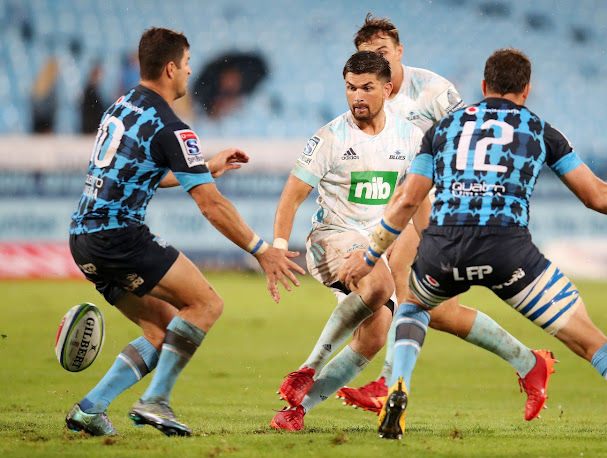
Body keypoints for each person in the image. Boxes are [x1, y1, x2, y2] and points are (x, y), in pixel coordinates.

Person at [340, 48, 607, 445]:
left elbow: (406, 201)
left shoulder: (443, 129)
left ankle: (398, 384)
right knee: (591, 341)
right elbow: (596, 196)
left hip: (445, 248)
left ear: (484, 86)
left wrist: (370, 255)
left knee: (414, 306)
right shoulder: (540, 130)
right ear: (527, 90)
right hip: (509, 252)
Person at [64, 27, 304, 437]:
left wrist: (204, 167)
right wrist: (261, 249)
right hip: (120, 236)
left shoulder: (119, 108)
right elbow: (211, 205)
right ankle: (155, 401)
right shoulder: (172, 126)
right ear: (171, 68)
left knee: (162, 330)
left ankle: (91, 408)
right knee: (206, 304)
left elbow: (140, 176)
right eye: (188, 63)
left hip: (83, 239)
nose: (191, 72)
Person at [336, 13, 555, 421]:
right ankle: (529, 363)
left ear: (399, 52)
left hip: (437, 200)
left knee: (404, 282)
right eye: (366, 58)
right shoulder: (369, 94)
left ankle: (387, 384)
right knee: (437, 312)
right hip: (398, 201)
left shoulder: (433, 90)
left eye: (382, 53)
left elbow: (472, 131)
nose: (375, 64)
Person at [268, 50, 424, 431]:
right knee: (383, 284)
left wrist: (436, 239)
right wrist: (276, 245)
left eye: (367, 88)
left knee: (375, 335)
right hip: (330, 240)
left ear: (387, 89)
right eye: (351, 88)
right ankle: (307, 369)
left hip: (371, 246)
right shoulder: (330, 137)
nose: (357, 96)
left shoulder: (410, 136)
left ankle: (295, 410)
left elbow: (417, 197)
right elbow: (291, 195)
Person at [80, 62, 105, 134]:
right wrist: (94, 128)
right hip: (91, 129)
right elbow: (89, 113)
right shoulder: (90, 92)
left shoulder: (95, 90)